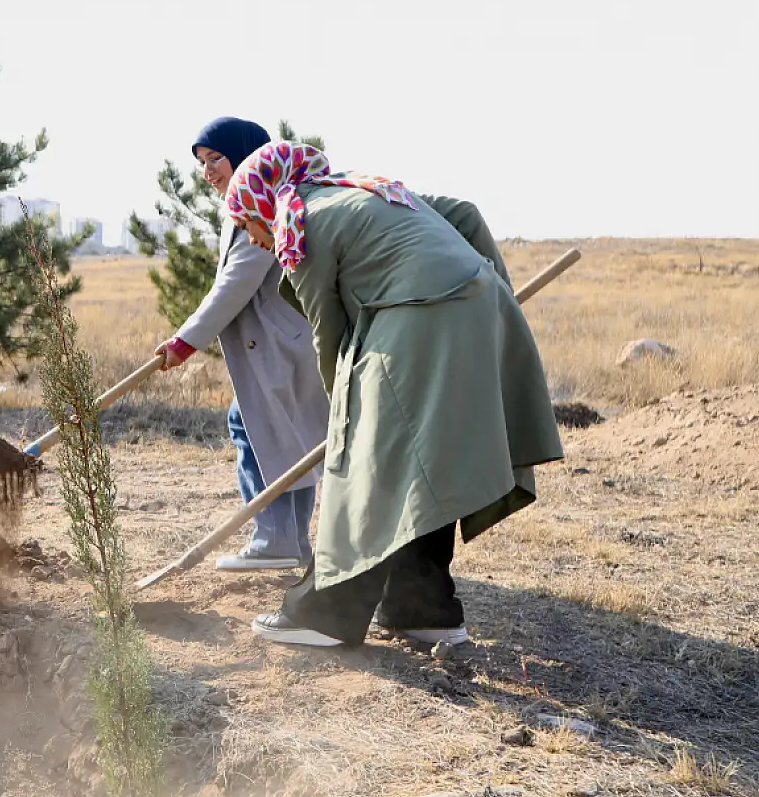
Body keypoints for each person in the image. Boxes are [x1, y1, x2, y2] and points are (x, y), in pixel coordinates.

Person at [222, 142, 562, 648]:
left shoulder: (302, 225)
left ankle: (325, 616)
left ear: (264, 203)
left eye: (248, 222)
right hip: (476, 311)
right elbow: (465, 215)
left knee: (368, 469)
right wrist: (490, 293)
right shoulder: (366, 190)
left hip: (417, 322)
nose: (252, 235)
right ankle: (423, 610)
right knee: (427, 466)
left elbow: (328, 333)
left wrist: (344, 420)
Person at [154, 118, 328, 571]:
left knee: (261, 430)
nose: (208, 171)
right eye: (202, 163)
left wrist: (184, 341)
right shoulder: (253, 202)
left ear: (246, 155)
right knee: (285, 438)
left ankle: (276, 539)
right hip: (277, 344)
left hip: (280, 345)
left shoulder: (265, 204)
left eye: (216, 159)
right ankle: (288, 540)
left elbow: (233, 286)